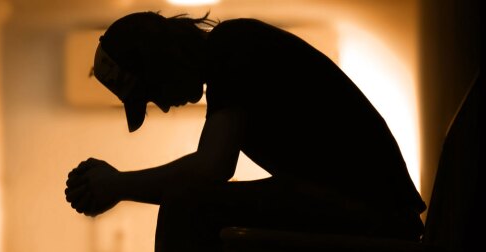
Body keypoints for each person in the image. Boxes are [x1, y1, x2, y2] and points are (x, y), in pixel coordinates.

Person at [64, 12, 426, 251]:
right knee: (192, 204)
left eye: (150, 92)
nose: (160, 104)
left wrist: (116, 185)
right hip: (371, 209)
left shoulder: (231, 47)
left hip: (376, 214)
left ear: (159, 61)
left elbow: (211, 170)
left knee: (186, 206)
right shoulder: (232, 50)